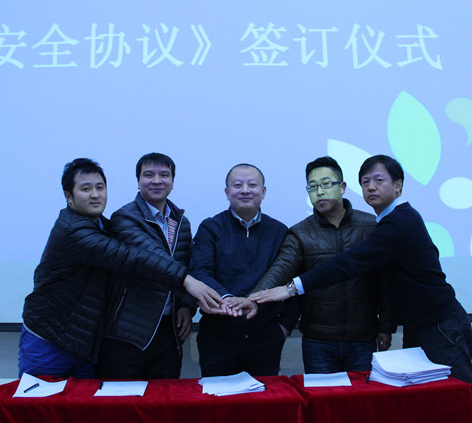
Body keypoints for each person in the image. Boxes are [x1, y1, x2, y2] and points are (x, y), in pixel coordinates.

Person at [250, 155, 472, 423]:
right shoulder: (384, 222)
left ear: (398, 186)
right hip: (410, 327)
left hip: (438, 326)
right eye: (366, 182)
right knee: (424, 406)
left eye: (379, 180)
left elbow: (350, 263)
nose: (371, 187)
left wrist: (291, 288)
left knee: (457, 402)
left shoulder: (398, 222)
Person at [19, 158, 222, 379]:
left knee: (86, 402)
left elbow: (185, 259)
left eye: (100, 188)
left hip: (84, 340)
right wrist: (186, 280)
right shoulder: (75, 230)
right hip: (50, 336)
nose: (95, 195)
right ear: (69, 196)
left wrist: (185, 304)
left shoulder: (104, 225)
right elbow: (133, 257)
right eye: (85, 189)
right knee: (40, 400)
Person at [248, 156, 394, 374]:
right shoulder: (300, 233)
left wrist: (386, 327)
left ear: (342, 187)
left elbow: (386, 282)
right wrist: (253, 298)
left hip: (363, 338)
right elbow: (280, 269)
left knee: (362, 396)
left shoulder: (371, 226)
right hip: (318, 341)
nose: (319, 192)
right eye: (312, 187)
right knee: (322, 396)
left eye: (326, 184)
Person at [189, 163, 295, 377]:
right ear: (227, 192)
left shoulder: (280, 231)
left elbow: (290, 280)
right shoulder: (210, 227)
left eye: (252, 185)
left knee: (265, 397)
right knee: (218, 397)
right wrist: (228, 298)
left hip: (265, 338)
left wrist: (284, 328)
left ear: (263, 191)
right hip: (218, 337)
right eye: (238, 185)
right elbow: (200, 271)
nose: (245, 190)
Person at [97, 153, 195, 379]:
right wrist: (190, 283)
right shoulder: (124, 218)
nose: (157, 181)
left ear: (173, 181)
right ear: (138, 181)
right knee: (122, 398)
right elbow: (153, 258)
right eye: (149, 175)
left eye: (164, 175)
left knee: (165, 397)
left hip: (169, 330)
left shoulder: (181, 222)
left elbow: (188, 264)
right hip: (128, 330)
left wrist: (186, 306)